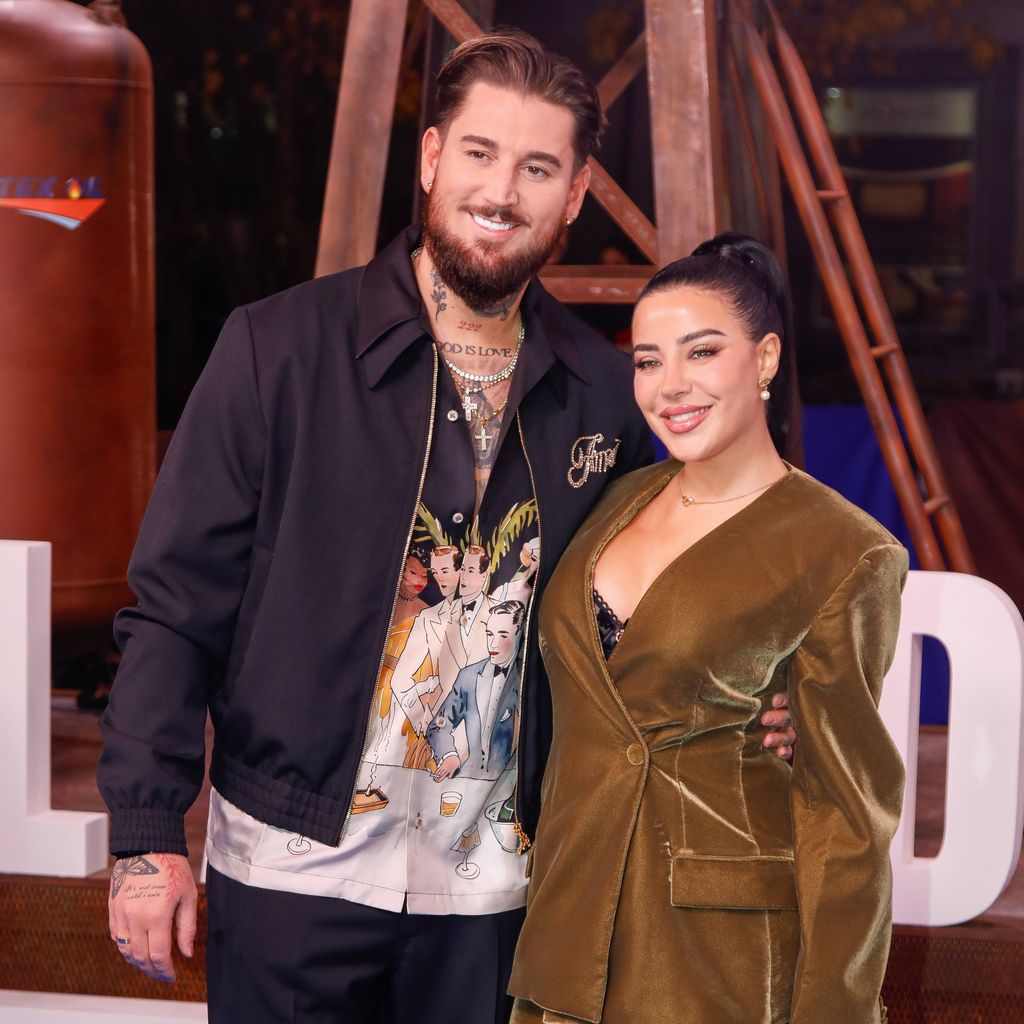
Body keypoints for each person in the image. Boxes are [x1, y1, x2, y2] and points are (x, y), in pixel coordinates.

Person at [99, 31, 796, 1024]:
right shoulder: (277, 352)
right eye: (478, 153)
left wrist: (755, 695)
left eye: (537, 166)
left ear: (573, 191)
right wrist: (144, 830)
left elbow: (645, 626)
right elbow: (173, 613)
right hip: (295, 870)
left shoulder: (604, 394)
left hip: (500, 895)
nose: (502, 190)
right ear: (430, 159)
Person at [508, 234, 907, 1024]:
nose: (670, 386)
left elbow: (846, 820)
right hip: (567, 932)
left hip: (717, 962)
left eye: (702, 352)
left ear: (764, 359)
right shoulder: (615, 499)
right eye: (649, 360)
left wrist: (838, 1010)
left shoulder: (846, 550)